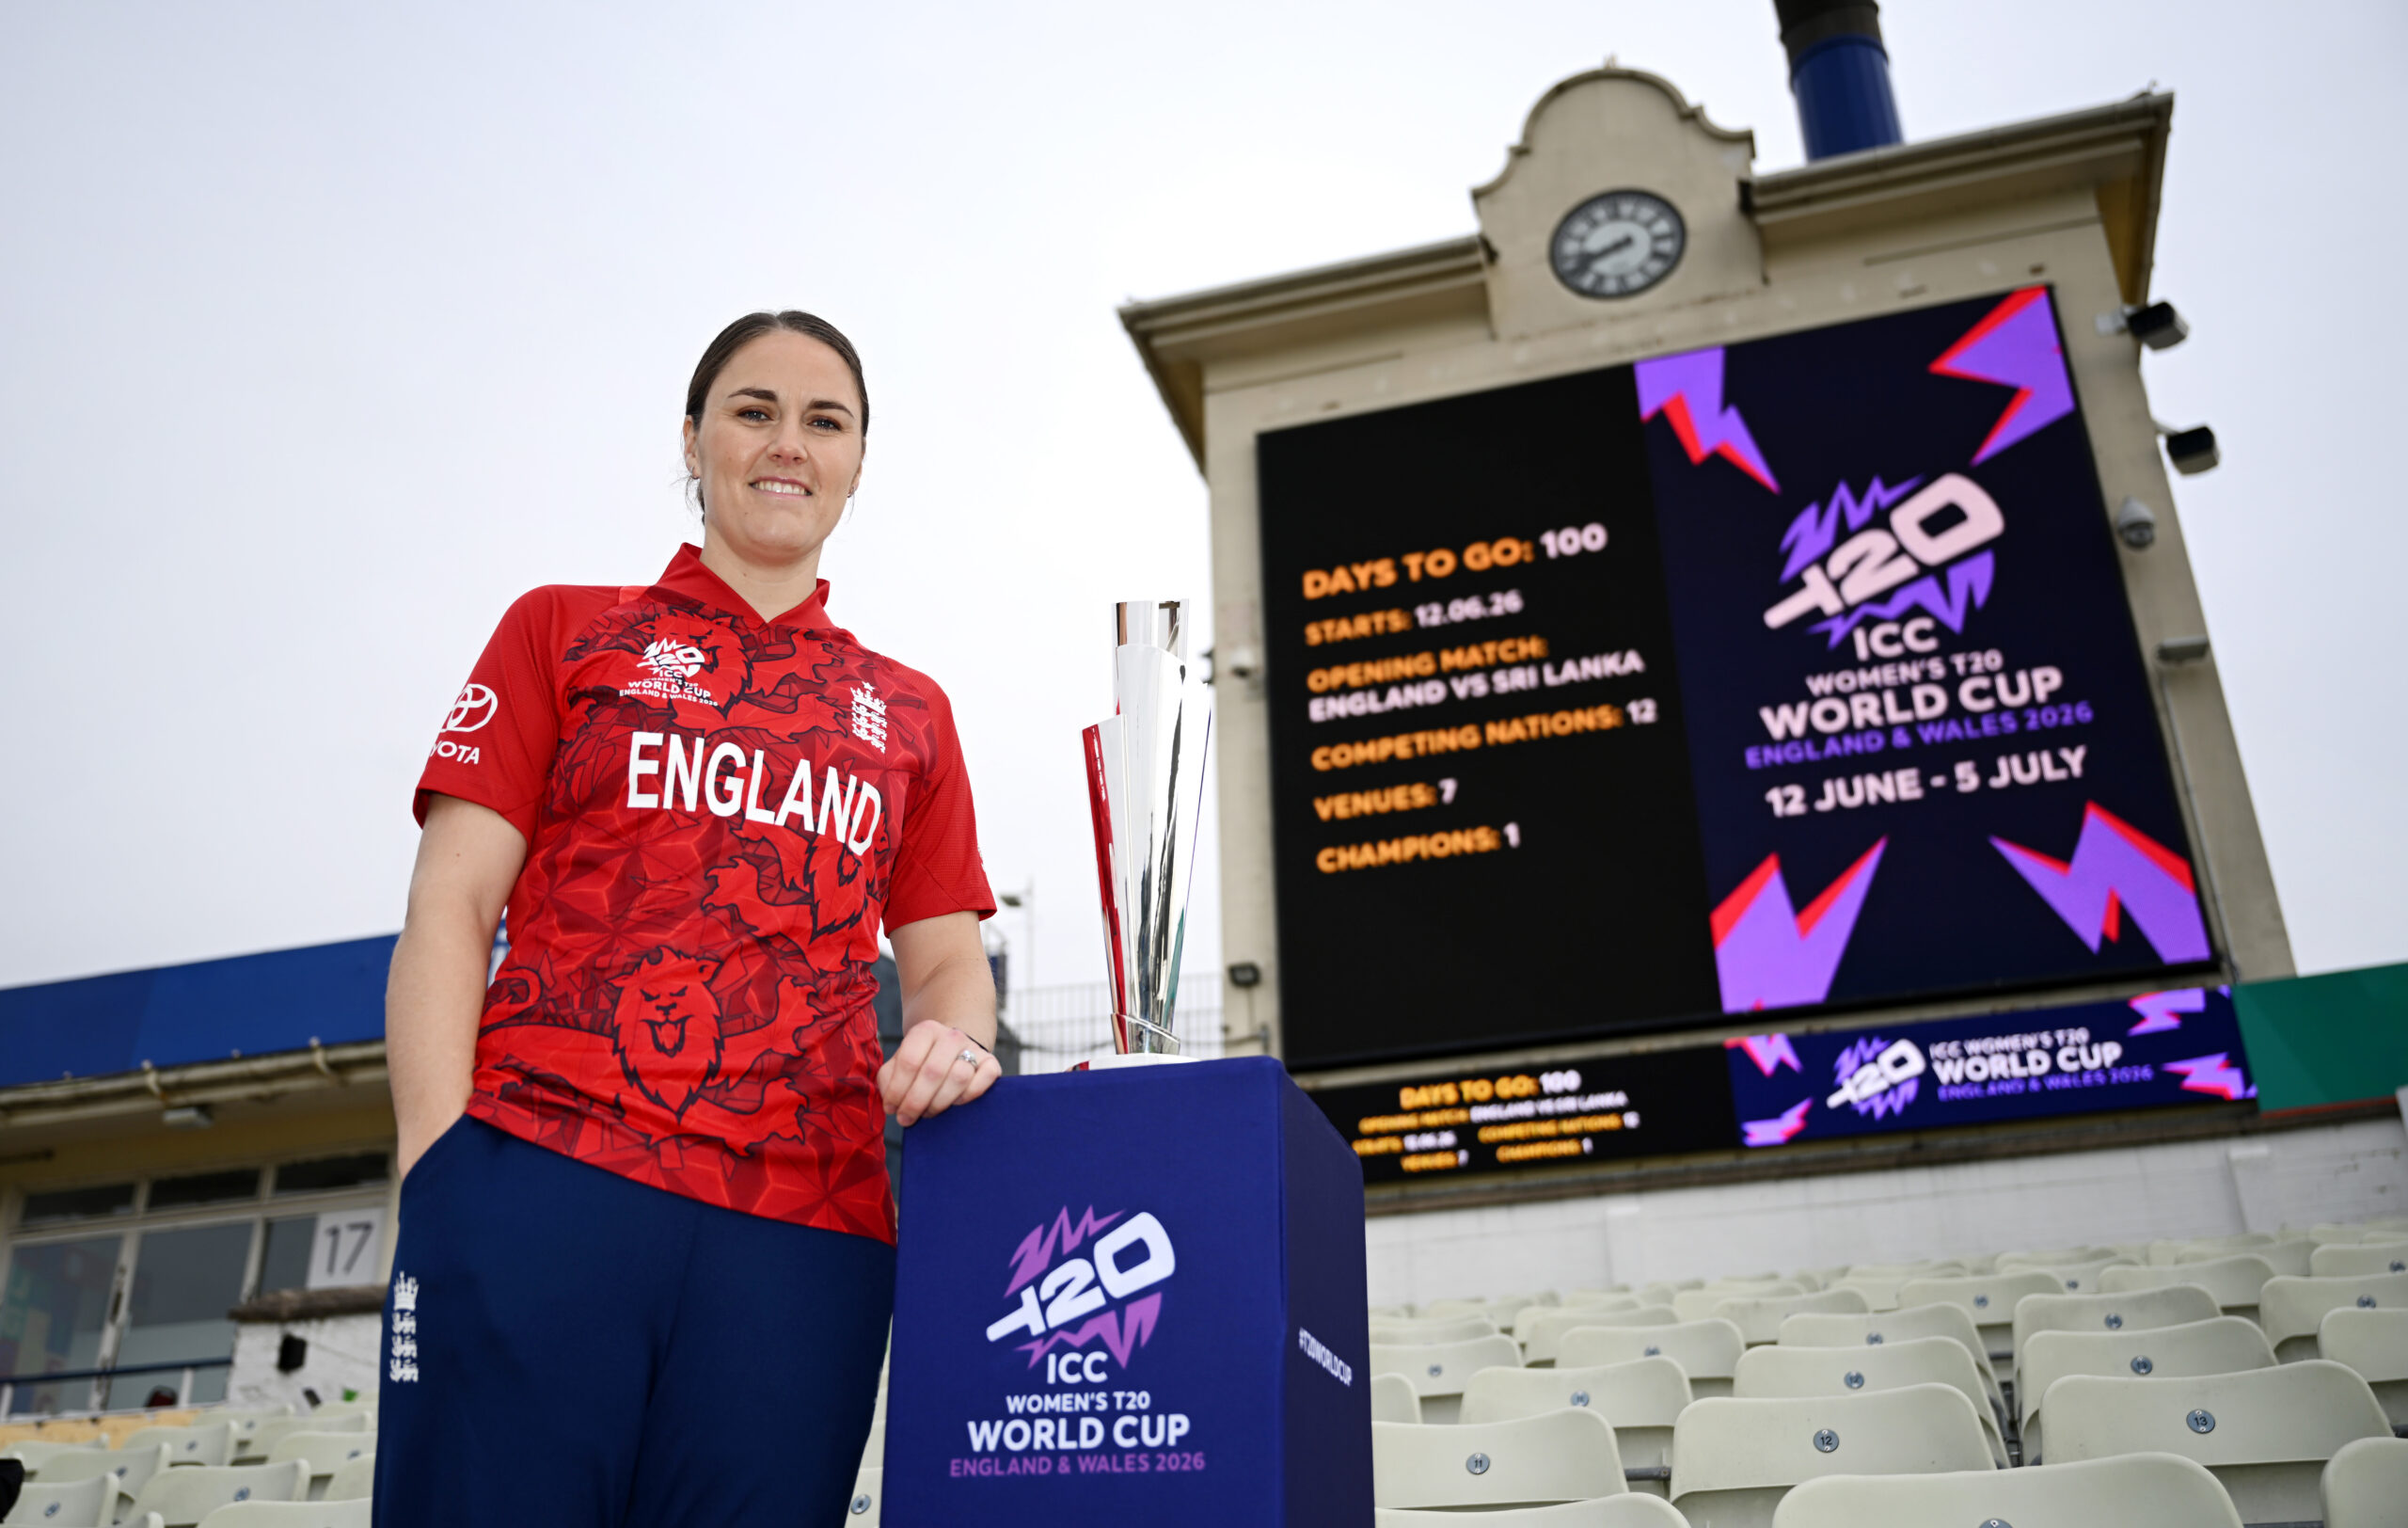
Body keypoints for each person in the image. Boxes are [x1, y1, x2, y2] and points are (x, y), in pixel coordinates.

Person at [376, 310, 999, 1524]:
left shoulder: (911, 711)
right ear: (693, 438)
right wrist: (437, 1169)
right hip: (543, 1170)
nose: (789, 443)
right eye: (754, 410)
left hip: (807, 1232)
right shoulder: (564, 629)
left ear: (858, 462)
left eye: (825, 421)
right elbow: (451, 906)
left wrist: (956, 1042)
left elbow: (947, 971)